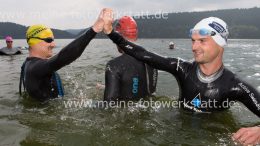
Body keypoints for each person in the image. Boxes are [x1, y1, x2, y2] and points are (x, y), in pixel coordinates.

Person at [102, 9, 260, 145]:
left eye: (202, 41)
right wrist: (111, 33)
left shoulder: (236, 86)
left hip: (212, 136)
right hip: (176, 130)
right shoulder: (182, 68)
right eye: (193, 41)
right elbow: (143, 54)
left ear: (220, 44)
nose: (194, 47)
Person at [19, 9, 106, 101]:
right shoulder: (35, 68)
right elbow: (63, 57)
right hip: (50, 113)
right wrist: (94, 30)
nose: (53, 44)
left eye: (53, 40)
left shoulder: (29, 64)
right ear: (33, 42)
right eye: (48, 40)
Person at [103, 16, 158, 102]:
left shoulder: (114, 65)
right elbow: (140, 88)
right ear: (136, 35)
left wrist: (86, 103)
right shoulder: (152, 60)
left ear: (117, 37)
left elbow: (108, 105)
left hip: (125, 112)